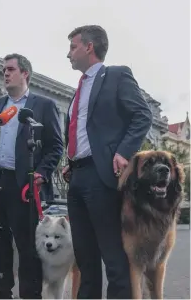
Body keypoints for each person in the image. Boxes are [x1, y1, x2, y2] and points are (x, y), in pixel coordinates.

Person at [63, 25, 153, 298]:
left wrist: (123, 152)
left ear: (89, 47)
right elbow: (86, 130)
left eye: (73, 47)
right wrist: (72, 158)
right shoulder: (78, 89)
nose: (68, 54)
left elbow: (142, 115)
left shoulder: (116, 75)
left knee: (114, 259)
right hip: (77, 178)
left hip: (103, 177)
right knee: (85, 260)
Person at [0, 53, 63, 299]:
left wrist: (42, 172)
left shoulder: (43, 105)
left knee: (27, 246)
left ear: (24, 73)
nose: (5, 73)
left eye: (10, 69)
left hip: (25, 184)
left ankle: (30, 295)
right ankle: (2, 292)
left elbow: (56, 146)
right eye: (3, 70)